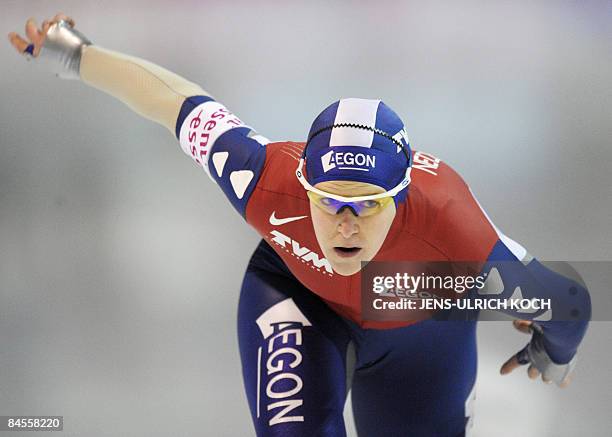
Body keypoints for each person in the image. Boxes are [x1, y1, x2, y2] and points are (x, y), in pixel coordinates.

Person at [8, 14, 591, 437]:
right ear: (303, 186)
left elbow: (568, 302)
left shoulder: (454, 229)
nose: (344, 224)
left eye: (367, 204)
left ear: (402, 198)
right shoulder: (262, 177)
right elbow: (172, 101)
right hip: (296, 294)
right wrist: (76, 55)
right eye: (328, 201)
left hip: (421, 323)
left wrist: (553, 351)